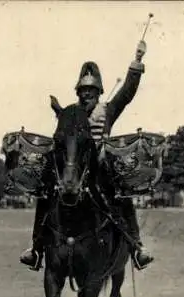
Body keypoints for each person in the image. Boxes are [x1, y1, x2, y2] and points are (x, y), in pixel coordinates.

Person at [20, 44, 154, 271]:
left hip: (100, 168)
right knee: (46, 193)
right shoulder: (71, 113)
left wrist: (137, 62)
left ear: (99, 92)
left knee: (122, 196)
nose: (86, 95)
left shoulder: (108, 110)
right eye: (83, 91)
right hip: (74, 169)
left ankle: (136, 246)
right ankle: (35, 248)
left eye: (91, 91)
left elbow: (127, 93)